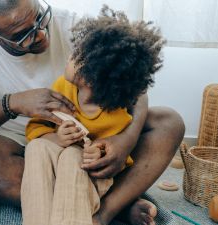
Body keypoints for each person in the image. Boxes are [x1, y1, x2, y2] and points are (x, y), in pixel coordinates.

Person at [0, 0, 185, 224]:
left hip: (97, 151)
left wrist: (125, 141)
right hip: (22, 153)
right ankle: (117, 205)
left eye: (39, 18)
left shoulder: (74, 26)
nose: (41, 35)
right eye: (24, 35)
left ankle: (105, 212)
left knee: (169, 121)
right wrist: (11, 104)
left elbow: (134, 84)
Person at [21, 6, 165, 225]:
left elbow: (117, 162)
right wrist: (58, 137)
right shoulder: (61, 88)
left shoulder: (117, 116)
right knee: (36, 147)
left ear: (92, 77)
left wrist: (95, 152)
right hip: (55, 165)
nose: (69, 56)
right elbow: (35, 129)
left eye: (76, 55)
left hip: (93, 178)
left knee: (72, 157)